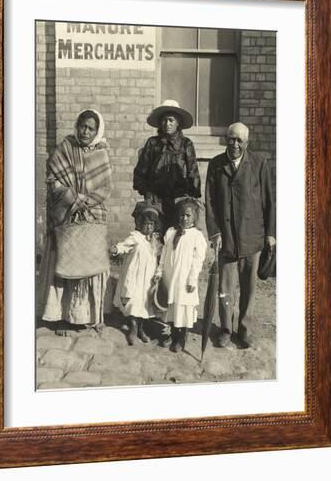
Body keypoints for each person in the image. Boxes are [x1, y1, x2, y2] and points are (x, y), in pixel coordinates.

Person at [40, 109, 112, 336]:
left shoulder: (102, 153)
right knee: (65, 264)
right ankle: (63, 316)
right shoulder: (65, 148)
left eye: (91, 128)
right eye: (83, 126)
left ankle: (93, 315)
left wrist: (86, 201)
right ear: (77, 126)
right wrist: (74, 198)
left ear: (97, 130)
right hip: (67, 215)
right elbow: (53, 180)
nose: (86, 131)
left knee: (92, 264)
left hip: (93, 215)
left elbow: (105, 187)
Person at [205, 122, 276, 349]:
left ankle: (245, 329)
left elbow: (268, 200)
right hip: (226, 237)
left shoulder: (258, 164)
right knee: (225, 288)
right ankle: (225, 329)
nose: (234, 144)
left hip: (252, 235)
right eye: (231, 139)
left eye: (239, 140)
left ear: (247, 143)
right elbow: (210, 203)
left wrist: (271, 234)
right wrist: (214, 232)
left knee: (249, 287)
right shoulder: (216, 165)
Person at [133, 99, 201, 230]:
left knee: (177, 239)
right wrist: (147, 192)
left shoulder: (186, 144)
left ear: (178, 123)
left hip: (179, 202)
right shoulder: (152, 144)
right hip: (156, 201)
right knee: (155, 238)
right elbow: (140, 173)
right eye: (164, 120)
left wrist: (189, 197)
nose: (167, 124)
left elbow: (193, 173)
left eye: (171, 120)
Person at [153, 198, 207, 352]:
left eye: (188, 216)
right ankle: (172, 332)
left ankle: (181, 337)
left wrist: (192, 279)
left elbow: (198, 260)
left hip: (185, 279)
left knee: (183, 307)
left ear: (194, 217)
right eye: (182, 215)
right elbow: (164, 255)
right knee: (172, 305)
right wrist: (159, 272)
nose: (184, 218)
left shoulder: (197, 236)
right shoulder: (171, 232)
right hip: (171, 277)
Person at [110, 203, 162, 345]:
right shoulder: (135, 237)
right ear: (139, 224)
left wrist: (158, 273)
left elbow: (159, 259)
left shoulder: (155, 241)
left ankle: (141, 328)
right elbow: (124, 245)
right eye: (146, 224)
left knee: (144, 303)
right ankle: (133, 328)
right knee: (133, 302)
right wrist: (117, 249)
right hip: (134, 275)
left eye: (151, 224)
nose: (148, 227)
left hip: (148, 278)